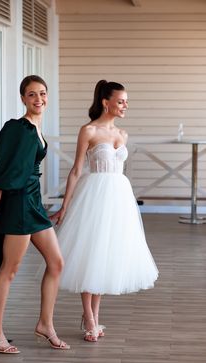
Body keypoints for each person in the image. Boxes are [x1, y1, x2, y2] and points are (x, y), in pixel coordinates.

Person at [51, 80, 159, 342]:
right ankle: (88, 317)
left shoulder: (123, 134)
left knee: (105, 255)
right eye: (120, 101)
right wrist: (64, 205)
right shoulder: (88, 131)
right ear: (105, 102)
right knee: (89, 252)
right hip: (93, 194)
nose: (125, 106)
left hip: (119, 197)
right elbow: (77, 170)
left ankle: (95, 317)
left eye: (126, 101)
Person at [0, 75, 70, 353]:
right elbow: (3, 168)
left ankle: (45, 324)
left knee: (56, 263)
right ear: (22, 98)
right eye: (31, 95)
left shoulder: (37, 128)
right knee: (10, 269)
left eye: (42, 93)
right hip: (18, 204)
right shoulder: (17, 128)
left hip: (34, 203)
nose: (38, 99)